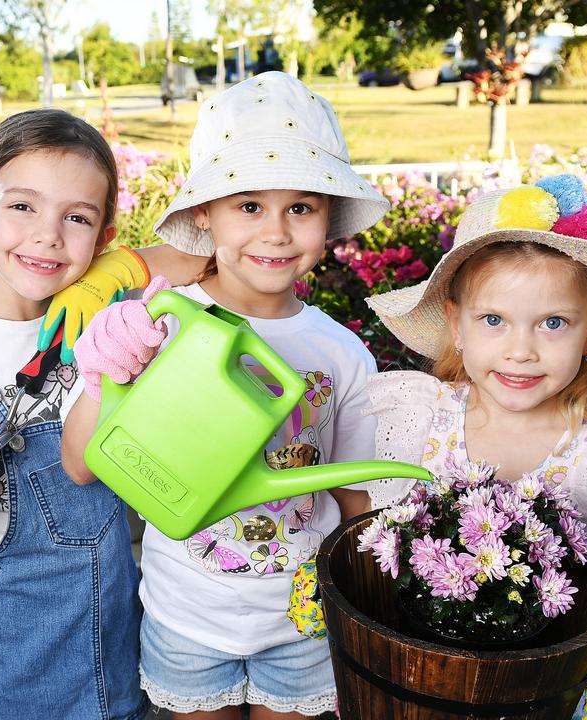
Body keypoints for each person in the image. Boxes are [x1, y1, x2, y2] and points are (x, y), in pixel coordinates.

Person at [61, 71, 390, 719]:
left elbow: (356, 492)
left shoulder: (344, 355)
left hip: (301, 618)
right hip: (187, 612)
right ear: (204, 214)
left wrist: (372, 599)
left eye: (300, 206)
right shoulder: (159, 326)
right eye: (248, 205)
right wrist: (103, 372)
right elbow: (79, 464)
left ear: (328, 218)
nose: (275, 232)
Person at [0, 108, 203, 719]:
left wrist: (115, 274)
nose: (49, 235)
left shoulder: (101, 315)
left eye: (77, 218)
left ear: (103, 235)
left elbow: (216, 258)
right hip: (14, 649)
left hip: (116, 629)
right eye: (23, 206)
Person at [362, 175, 587, 718]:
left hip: (535, 698)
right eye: (493, 320)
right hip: (407, 684)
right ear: (456, 324)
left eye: (553, 323)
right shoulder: (415, 416)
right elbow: (360, 532)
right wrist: (323, 574)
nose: (520, 351)